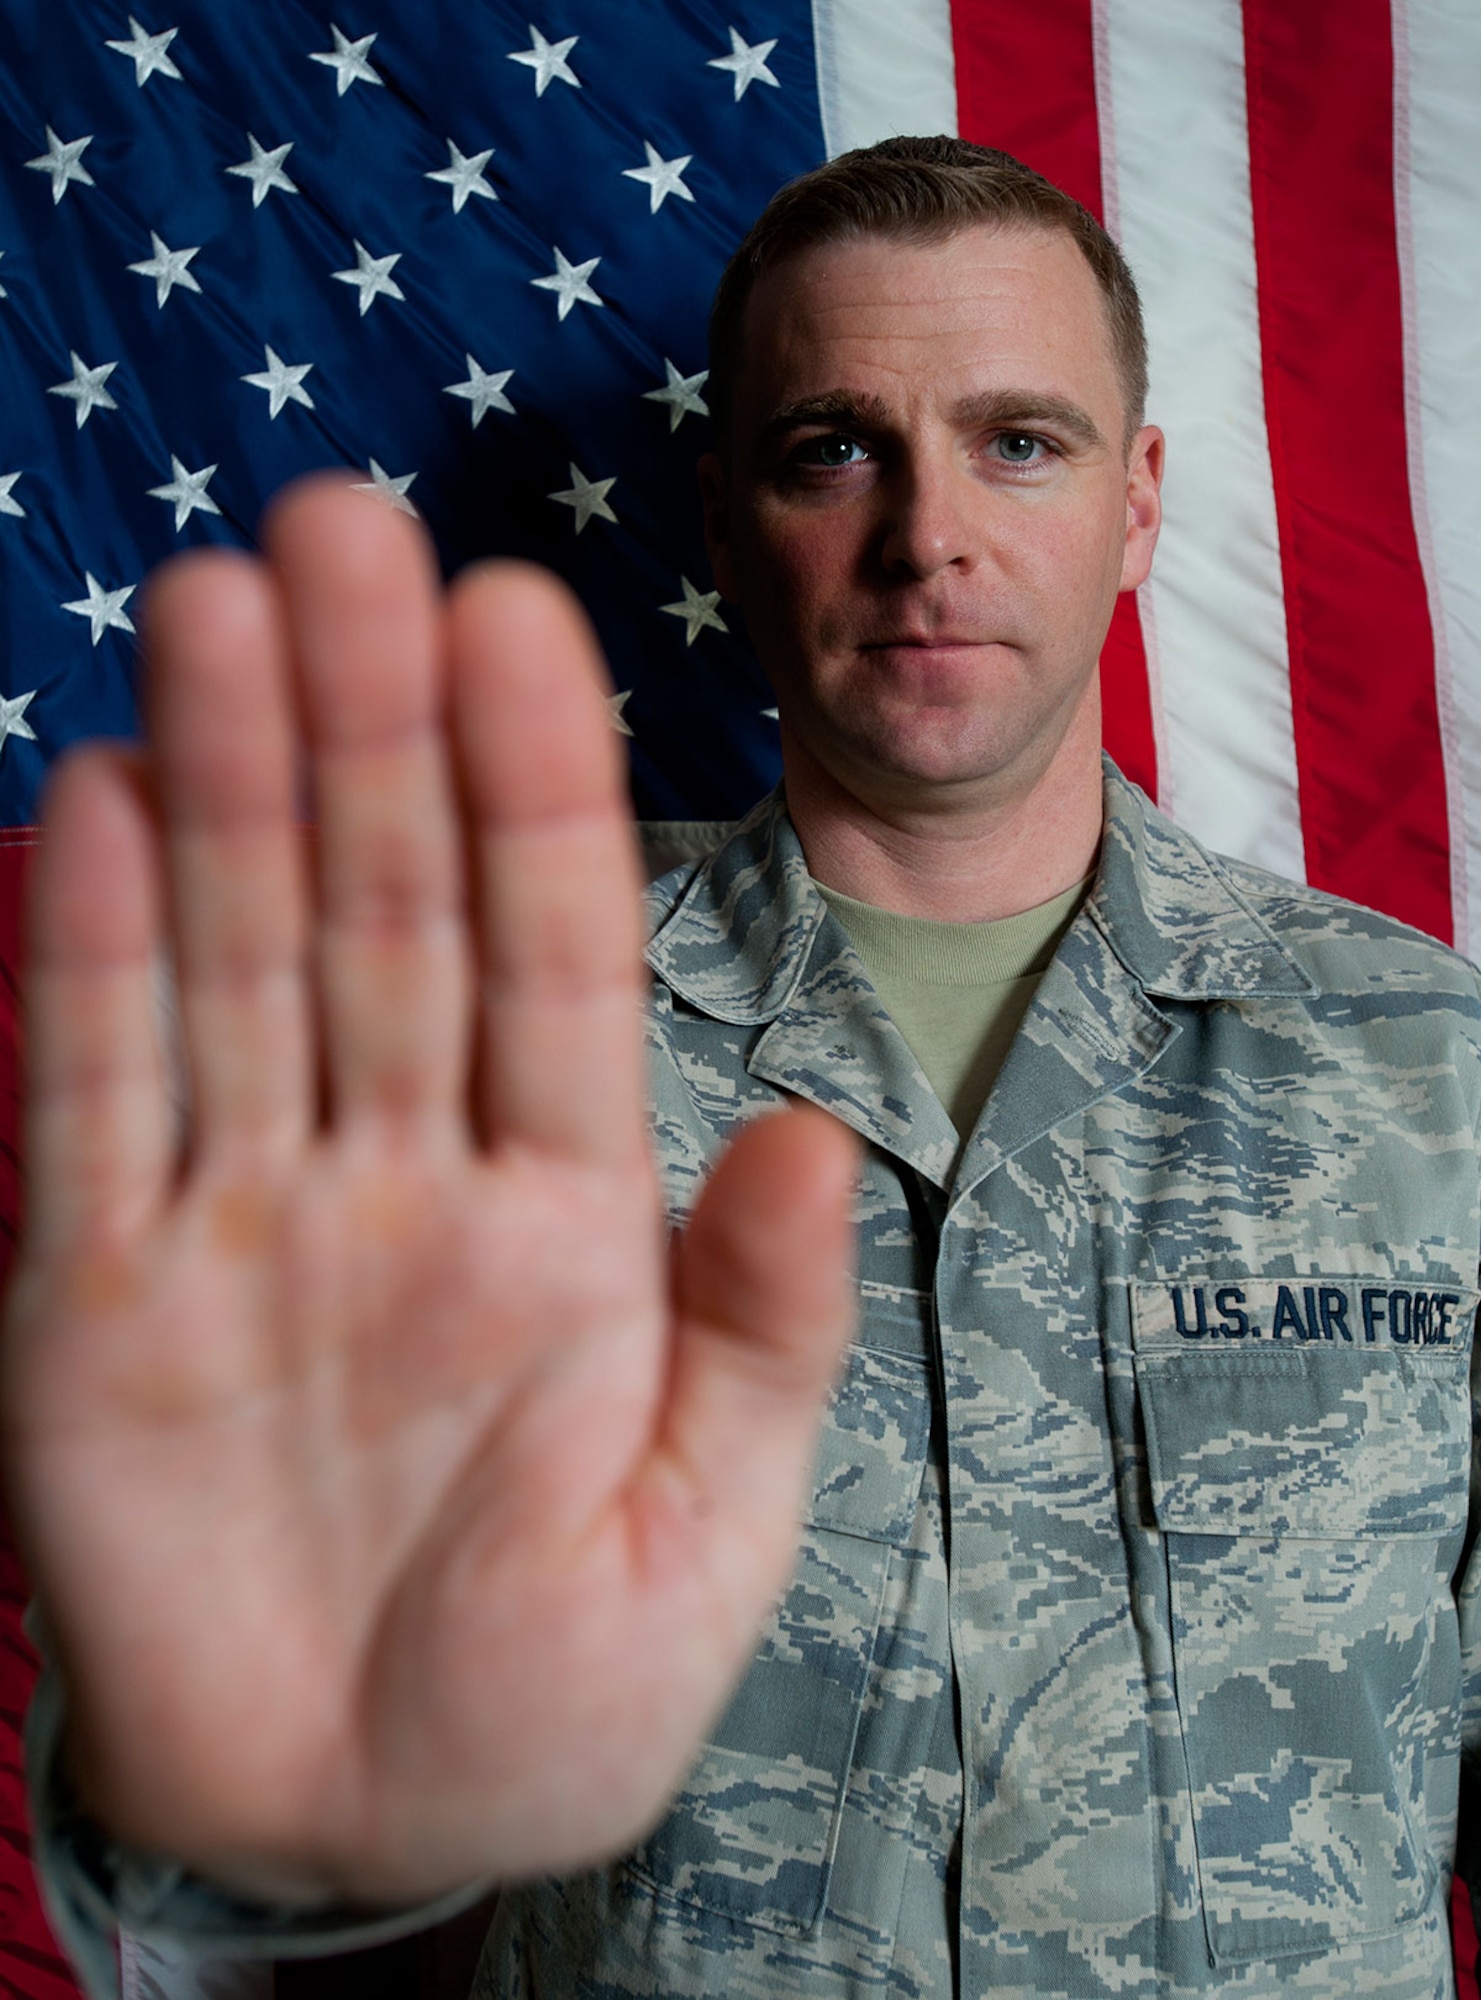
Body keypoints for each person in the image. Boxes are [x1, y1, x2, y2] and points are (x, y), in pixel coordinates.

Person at [5, 136, 1479, 2000]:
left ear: (1137, 506)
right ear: (721, 522)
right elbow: (192, 1848)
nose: (926, 533)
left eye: (1018, 442)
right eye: (833, 449)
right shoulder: (464, 1048)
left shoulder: (1429, 1067)